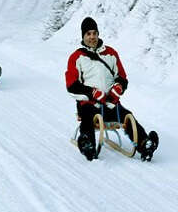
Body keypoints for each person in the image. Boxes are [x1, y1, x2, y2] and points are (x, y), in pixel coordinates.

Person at [65, 17, 159, 161]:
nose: (92, 37)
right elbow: (71, 85)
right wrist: (92, 93)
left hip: (110, 102)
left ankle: (144, 144)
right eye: (88, 34)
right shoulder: (77, 57)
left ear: (98, 34)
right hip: (89, 104)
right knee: (88, 119)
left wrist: (118, 87)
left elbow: (122, 76)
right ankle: (87, 144)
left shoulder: (110, 53)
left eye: (94, 33)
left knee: (128, 116)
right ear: (83, 36)